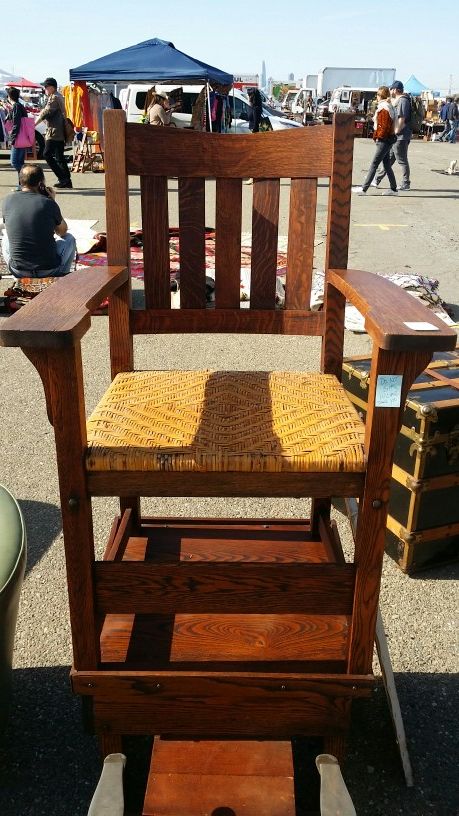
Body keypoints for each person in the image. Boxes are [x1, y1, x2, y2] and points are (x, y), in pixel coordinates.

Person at [1, 164, 76, 279]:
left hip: (19, 270)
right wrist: (53, 202)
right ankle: (61, 278)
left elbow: (11, 227)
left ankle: (20, 280)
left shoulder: (7, 200)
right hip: (48, 270)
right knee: (70, 239)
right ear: (41, 184)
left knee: (6, 237)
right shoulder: (47, 203)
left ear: (20, 182)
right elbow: (62, 231)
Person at [352, 86, 398, 196]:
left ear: (379, 95)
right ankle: (393, 189)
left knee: (374, 164)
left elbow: (383, 126)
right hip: (388, 139)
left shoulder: (384, 107)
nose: (376, 97)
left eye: (377, 95)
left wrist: (378, 137)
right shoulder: (389, 106)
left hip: (384, 140)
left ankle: (364, 189)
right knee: (386, 165)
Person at [373, 80, 412, 192]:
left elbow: (402, 118)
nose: (390, 91)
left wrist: (395, 131)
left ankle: (405, 183)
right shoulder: (399, 100)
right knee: (388, 159)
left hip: (400, 136)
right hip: (398, 135)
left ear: (395, 89)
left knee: (402, 160)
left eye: (391, 89)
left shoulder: (403, 101)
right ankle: (376, 179)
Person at [35, 77, 72, 189]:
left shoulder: (55, 97)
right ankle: (66, 180)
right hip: (59, 131)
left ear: (51, 87)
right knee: (59, 157)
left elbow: (45, 112)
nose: (44, 90)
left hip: (54, 131)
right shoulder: (58, 96)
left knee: (46, 154)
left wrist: (34, 124)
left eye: (46, 87)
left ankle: (63, 178)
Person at [4, 87, 28, 191]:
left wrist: (12, 139)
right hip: (21, 137)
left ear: (9, 96)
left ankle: (27, 180)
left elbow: (16, 124)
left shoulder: (17, 107)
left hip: (18, 138)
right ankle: (23, 185)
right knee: (19, 162)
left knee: (15, 162)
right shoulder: (18, 106)